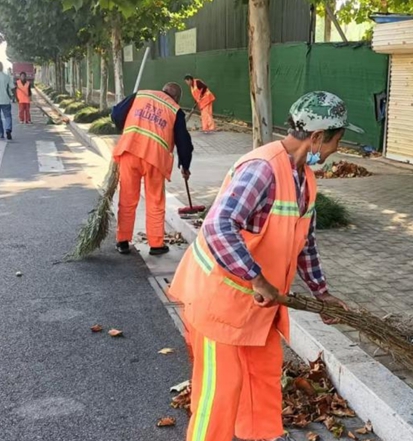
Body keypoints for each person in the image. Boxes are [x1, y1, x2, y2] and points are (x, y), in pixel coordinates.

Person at [167, 91, 363, 441]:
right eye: (337, 139)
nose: (337, 149)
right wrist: (257, 279)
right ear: (318, 136)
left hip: (256, 309)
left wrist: (322, 294)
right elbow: (218, 225)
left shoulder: (305, 177)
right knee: (220, 393)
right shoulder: (263, 169)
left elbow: (305, 243)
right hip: (220, 304)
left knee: (261, 384)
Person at [112, 82, 193, 256]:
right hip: (155, 159)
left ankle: (122, 241)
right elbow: (184, 142)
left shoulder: (141, 95)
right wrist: (185, 165)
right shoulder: (175, 109)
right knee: (155, 201)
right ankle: (156, 244)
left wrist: (124, 129)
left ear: (163, 90)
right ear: (177, 97)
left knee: (127, 197)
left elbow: (116, 113)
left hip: (130, 151)